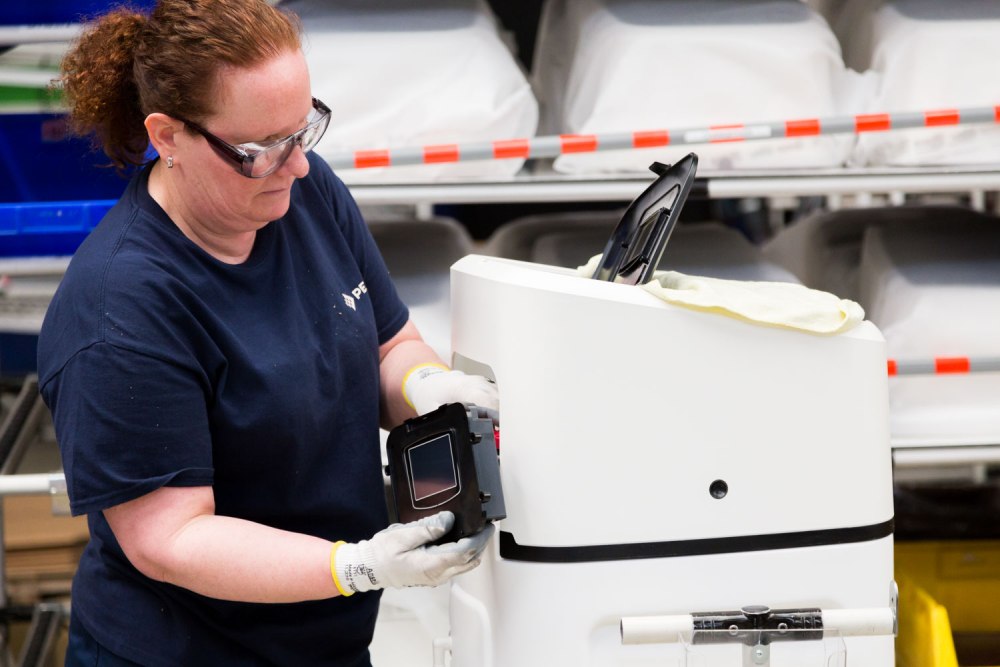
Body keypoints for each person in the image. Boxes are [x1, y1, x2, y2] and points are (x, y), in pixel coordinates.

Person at [37, 1, 499, 665]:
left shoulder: (300, 195)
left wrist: (428, 387)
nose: (298, 166)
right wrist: (358, 565)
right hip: (189, 650)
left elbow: (388, 345)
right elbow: (172, 537)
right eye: (261, 150)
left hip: (323, 638)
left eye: (303, 129)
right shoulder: (122, 311)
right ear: (167, 137)